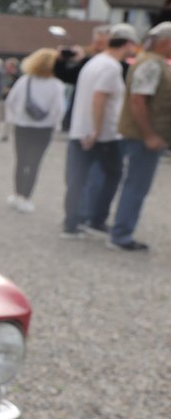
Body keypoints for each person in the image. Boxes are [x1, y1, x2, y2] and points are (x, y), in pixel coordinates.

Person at [62, 23, 137, 239]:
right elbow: (99, 97)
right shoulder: (111, 67)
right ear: (127, 43)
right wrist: (95, 130)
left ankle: (72, 222)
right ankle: (95, 219)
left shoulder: (95, 62)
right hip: (103, 134)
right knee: (111, 175)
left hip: (83, 129)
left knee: (77, 178)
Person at [107, 21, 171, 250]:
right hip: (142, 137)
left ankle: (122, 231)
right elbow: (138, 100)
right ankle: (121, 234)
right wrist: (150, 135)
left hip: (142, 136)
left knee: (135, 185)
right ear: (165, 42)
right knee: (136, 186)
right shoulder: (151, 64)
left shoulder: (152, 62)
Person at [4, 48, 66, 212]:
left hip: (22, 126)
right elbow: (58, 109)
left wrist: (13, 118)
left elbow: (11, 101)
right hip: (43, 129)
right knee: (34, 163)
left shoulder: (25, 80)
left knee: (21, 161)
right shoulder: (56, 85)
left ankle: (17, 193)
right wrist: (56, 126)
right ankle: (26, 196)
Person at [56, 25, 110, 132]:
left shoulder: (111, 63)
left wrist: (83, 59)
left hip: (99, 118)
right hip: (79, 115)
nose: (96, 46)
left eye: (100, 43)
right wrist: (60, 61)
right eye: (95, 42)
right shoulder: (87, 60)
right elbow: (66, 76)